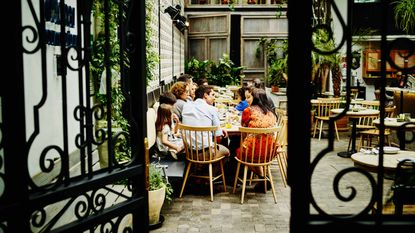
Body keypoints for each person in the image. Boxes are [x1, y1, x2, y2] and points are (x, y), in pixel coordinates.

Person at [237, 88, 278, 190]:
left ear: (255, 99)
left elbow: (243, 131)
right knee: (257, 152)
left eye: (249, 97)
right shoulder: (271, 112)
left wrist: (243, 143)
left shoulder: (248, 111)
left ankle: (262, 177)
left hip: (253, 151)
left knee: (242, 152)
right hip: (270, 152)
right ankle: (263, 178)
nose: (246, 100)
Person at [182, 85, 230, 159]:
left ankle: (202, 168)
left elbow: (197, 122)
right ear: (205, 95)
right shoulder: (212, 109)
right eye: (212, 95)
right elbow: (218, 136)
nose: (214, 98)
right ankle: (210, 169)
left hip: (189, 152)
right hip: (206, 152)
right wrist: (219, 130)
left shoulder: (186, 106)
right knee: (227, 152)